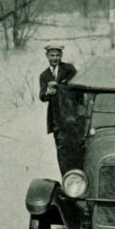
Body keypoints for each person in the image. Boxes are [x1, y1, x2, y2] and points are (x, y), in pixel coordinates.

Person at [39, 43, 78, 175]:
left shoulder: (69, 69)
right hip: (57, 120)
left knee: (76, 150)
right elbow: (42, 97)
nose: (55, 58)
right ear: (47, 56)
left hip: (73, 117)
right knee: (62, 152)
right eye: (52, 55)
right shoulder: (44, 75)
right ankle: (67, 179)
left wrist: (61, 86)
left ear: (61, 55)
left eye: (57, 55)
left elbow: (78, 88)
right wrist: (48, 92)